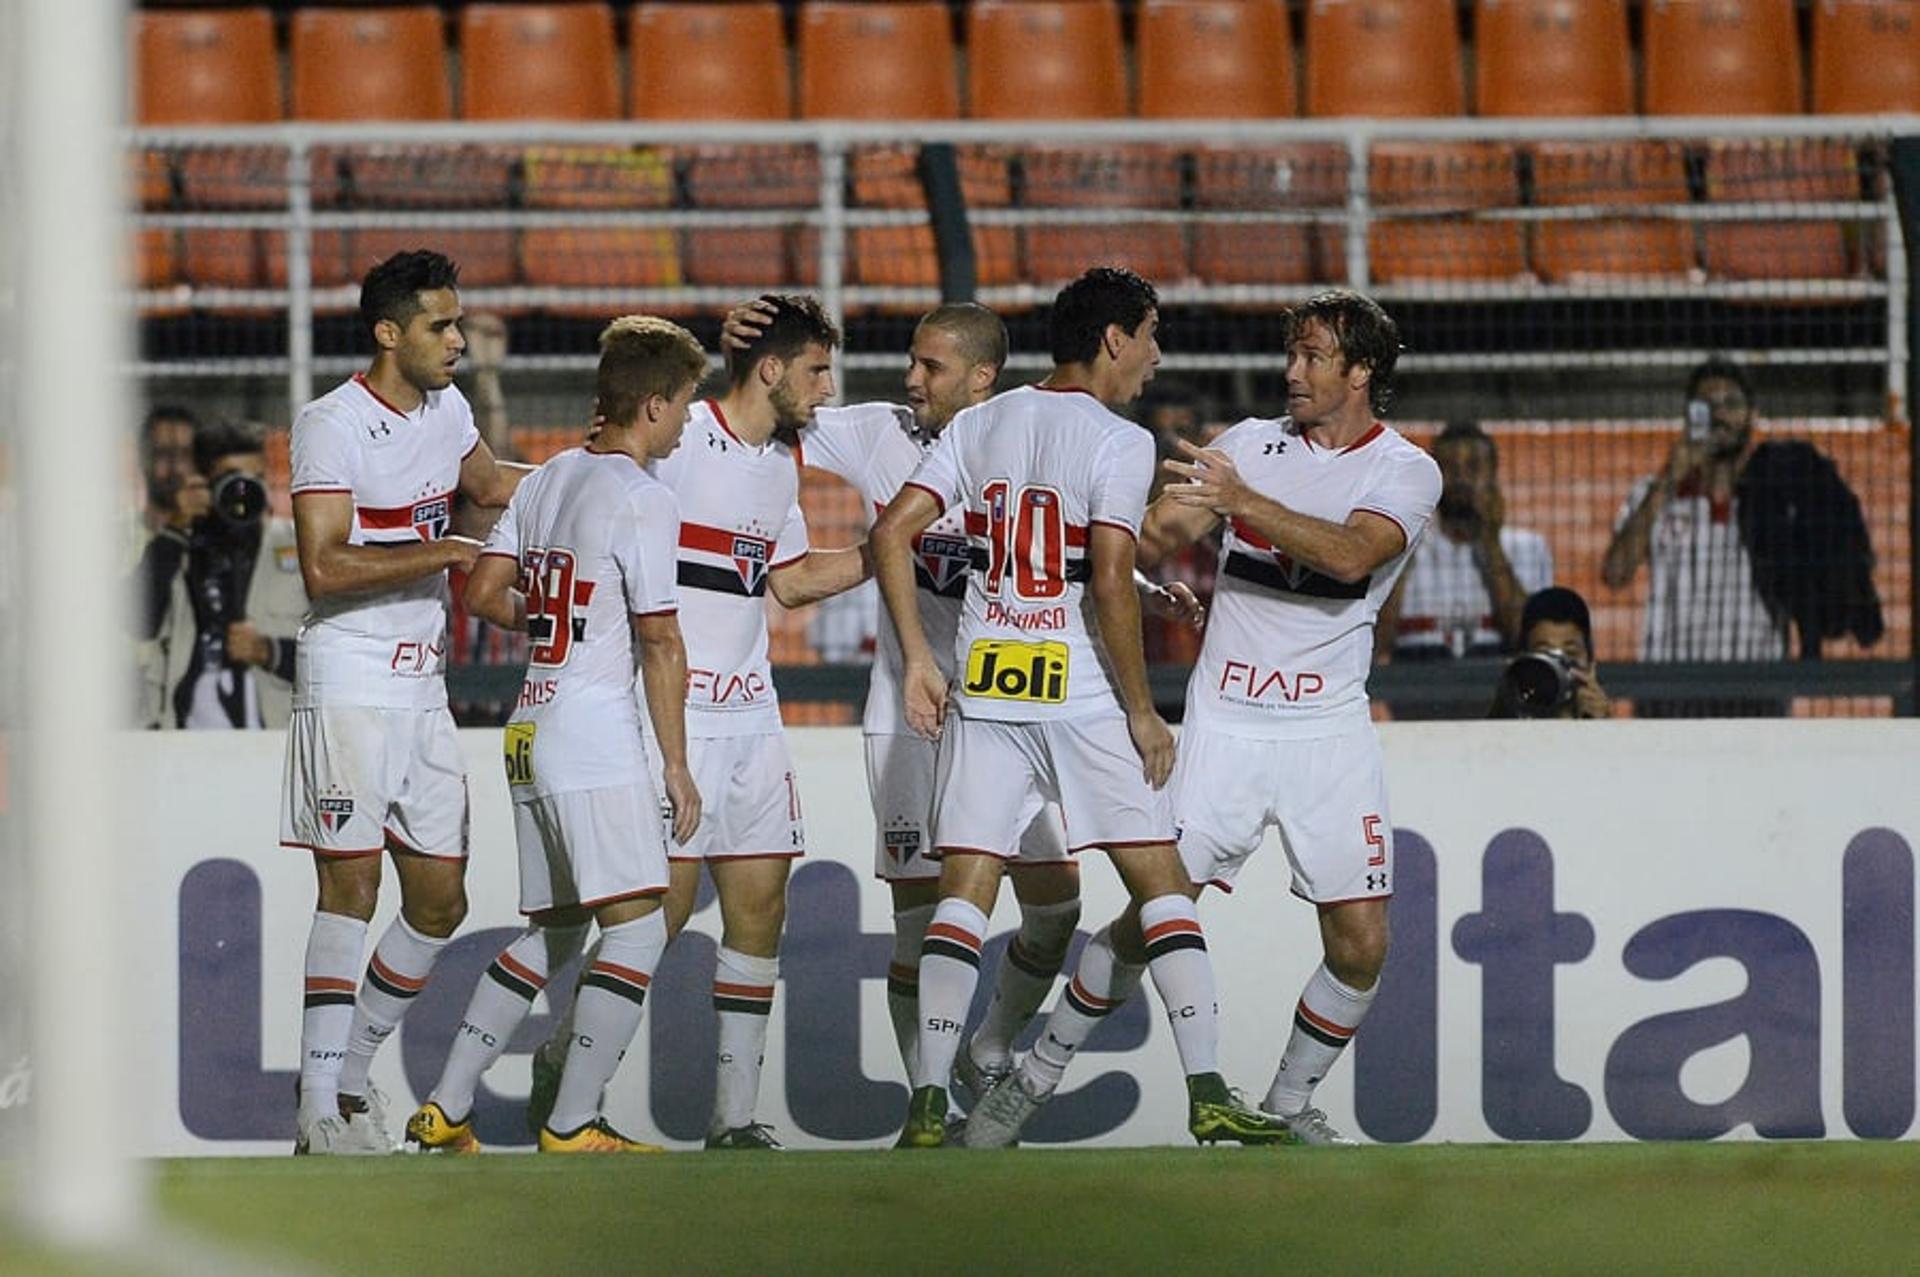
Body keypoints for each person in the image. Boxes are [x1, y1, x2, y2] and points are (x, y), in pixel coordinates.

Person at [965, 288, 1440, 1150]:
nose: (1292, 372)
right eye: (1290, 354)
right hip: (1227, 724)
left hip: (1327, 731)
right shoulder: (1247, 444)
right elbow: (1151, 533)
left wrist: (1242, 501)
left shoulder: (1404, 470)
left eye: (1313, 357)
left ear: (1362, 371)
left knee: (1362, 946)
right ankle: (1029, 1079)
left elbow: (1352, 553)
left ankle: (1289, 1104)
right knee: (1153, 915)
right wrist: (1089, 544)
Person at [873, 266, 1289, 1149]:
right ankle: (1209, 1089)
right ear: (1114, 340)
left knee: (964, 895)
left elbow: (890, 533)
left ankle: (922, 1102)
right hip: (1076, 682)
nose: (1155, 354)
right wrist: (1142, 710)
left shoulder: (982, 422)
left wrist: (918, 656)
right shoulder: (1120, 437)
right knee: (1160, 882)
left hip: (986, 675)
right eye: (1150, 335)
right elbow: (1100, 572)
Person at [533, 294, 871, 1151]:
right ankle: (568, 1074)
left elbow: (788, 581)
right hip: (672, 723)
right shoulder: (681, 446)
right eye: (817, 371)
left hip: (752, 716)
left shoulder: (779, 466)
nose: (827, 390)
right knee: (658, 920)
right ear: (772, 369)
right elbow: (592, 485)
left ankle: (734, 1117)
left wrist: (886, 547)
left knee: (762, 911)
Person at [405, 316, 708, 1155]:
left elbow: (483, 594)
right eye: (684, 404)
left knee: (556, 930)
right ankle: (572, 1122)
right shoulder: (643, 496)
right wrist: (677, 764)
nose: (687, 422)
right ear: (652, 404)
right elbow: (660, 639)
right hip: (591, 728)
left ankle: (447, 1104)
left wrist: (553, 625)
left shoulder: (545, 480)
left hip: (530, 722)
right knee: (640, 928)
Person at [282, 249, 527, 1155]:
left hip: (421, 682)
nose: (457, 340)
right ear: (389, 333)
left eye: (458, 324)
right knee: (350, 887)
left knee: (440, 899)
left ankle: (350, 1082)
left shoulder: (449, 406)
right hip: (347, 676)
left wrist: (593, 471)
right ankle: (316, 1103)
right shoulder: (331, 422)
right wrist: (450, 554)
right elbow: (324, 566)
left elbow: (492, 486)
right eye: (440, 326)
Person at [1600, 357, 1785, 716]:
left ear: (1752, 415)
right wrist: (1669, 479)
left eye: (1731, 404)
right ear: (1688, 416)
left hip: (1757, 684)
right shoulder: (1651, 494)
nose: (1719, 416)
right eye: (1706, 406)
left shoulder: (1780, 500)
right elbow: (1615, 573)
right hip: (1669, 687)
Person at [133, 418, 307, 729]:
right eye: (230, 481)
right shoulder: (180, 549)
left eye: (256, 479)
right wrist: (175, 529)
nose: (243, 492)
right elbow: (138, 621)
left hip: (275, 739)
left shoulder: (300, 548)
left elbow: (340, 656)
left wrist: (271, 651)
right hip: (188, 741)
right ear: (203, 484)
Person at [1377, 420, 1551, 662]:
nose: (1460, 478)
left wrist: (1492, 544)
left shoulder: (1526, 548)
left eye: (1473, 467)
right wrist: (1407, 540)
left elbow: (1527, 641)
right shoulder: (1403, 548)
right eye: (1449, 468)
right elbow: (1375, 646)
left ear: (1493, 477)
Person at [1489, 586, 1612, 720]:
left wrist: (1600, 726)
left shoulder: (1601, 728)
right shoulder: (1509, 717)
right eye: (1546, 654)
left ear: (1590, 663)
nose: (1557, 668)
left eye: (1570, 654)